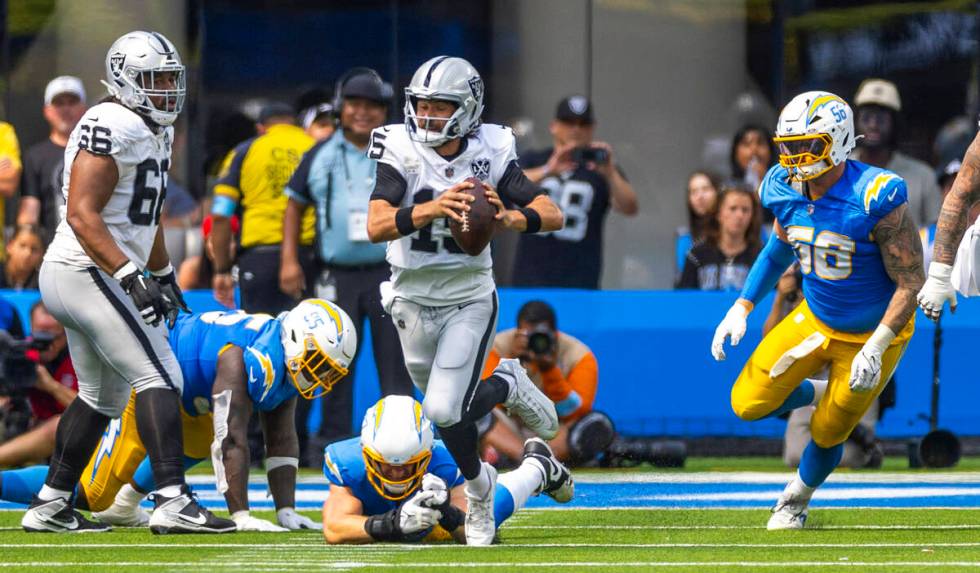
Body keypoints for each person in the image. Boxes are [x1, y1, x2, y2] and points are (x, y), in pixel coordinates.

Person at [25, 30, 234, 534]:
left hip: (93, 272)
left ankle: (51, 503)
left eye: (170, 78)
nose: (165, 89)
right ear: (123, 80)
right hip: (85, 269)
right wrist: (129, 275)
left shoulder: (151, 128)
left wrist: (160, 272)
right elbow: (82, 214)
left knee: (103, 398)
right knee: (162, 375)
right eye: (154, 79)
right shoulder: (108, 121)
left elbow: (146, 217)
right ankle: (172, 500)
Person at [366, 55, 565, 545]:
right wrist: (435, 206)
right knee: (447, 410)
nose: (427, 116)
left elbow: (551, 211)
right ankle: (505, 385)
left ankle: (478, 492)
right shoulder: (399, 146)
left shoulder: (492, 148)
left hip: (468, 296)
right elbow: (374, 225)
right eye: (422, 105)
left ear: (468, 108)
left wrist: (513, 220)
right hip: (410, 295)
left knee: (439, 409)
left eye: (440, 106)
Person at [711, 91, 923, 529]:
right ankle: (819, 391)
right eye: (787, 146)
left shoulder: (876, 194)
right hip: (817, 316)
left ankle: (796, 499)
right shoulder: (782, 185)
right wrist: (742, 305)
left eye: (807, 145)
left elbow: (910, 282)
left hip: (874, 331)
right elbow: (777, 250)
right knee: (746, 403)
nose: (794, 157)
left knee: (829, 432)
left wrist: (878, 345)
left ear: (841, 141)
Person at [0, 299, 354, 532]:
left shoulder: (283, 359)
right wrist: (241, 516)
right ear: (295, 339)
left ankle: (125, 504)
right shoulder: (243, 356)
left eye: (330, 370)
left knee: (199, 436)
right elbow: (229, 437)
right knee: (91, 493)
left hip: (187, 391)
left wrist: (285, 510)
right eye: (319, 363)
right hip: (150, 372)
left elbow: (281, 436)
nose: (322, 376)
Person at [281, 68, 410, 457]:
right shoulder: (320, 152)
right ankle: (332, 443)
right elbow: (294, 204)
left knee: (396, 359)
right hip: (336, 273)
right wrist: (290, 259)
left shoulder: (399, 149)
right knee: (334, 357)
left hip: (390, 269)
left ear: (385, 110)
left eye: (373, 105)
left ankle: (401, 442)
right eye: (355, 103)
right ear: (340, 107)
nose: (363, 112)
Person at [321, 395, 572, 544]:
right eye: (385, 466)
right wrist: (391, 525)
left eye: (408, 466)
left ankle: (536, 469)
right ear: (366, 454)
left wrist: (447, 513)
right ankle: (537, 467)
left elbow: (475, 531)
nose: (396, 474)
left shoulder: (444, 462)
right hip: (387, 517)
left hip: (436, 515)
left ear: (426, 454)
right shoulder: (348, 461)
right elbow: (334, 528)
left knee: (483, 521)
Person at [762, 266, 885, 469]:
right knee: (794, 456)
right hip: (813, 382)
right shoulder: (796, 302)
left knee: (855, 457)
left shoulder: (844, 284)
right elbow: (770, 344)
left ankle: (866, 445)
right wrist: (781, 298)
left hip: (849, 376)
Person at [511, 95, 638, 289]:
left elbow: (629, 207)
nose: (576, 129)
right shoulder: (535, 159)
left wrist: (610, 173)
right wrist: (548, 170)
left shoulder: (600, 168)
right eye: (569, 122)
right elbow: (506, 186)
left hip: (580, 280)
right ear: (554, 125)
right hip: (530, 276)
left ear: (592, 127)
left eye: (583, 124)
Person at [210, 102, 317, 312]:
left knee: (260, 336)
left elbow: (221, 214)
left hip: (259, 259)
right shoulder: (314, 148)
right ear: (296, 126)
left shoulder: (244, 151)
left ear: (260, 128)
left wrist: (222, 269)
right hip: (308, 258)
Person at [480, 300, 612, 465]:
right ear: (518, 332)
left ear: (555, 334)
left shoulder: (579, 356)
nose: (536, 342)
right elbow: (486, 400)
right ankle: (529, 459)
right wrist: (511, 361)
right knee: (474, 410)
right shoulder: (498, 347)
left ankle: (538, 458)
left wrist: (549, 370)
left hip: (552, 431)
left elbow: (576, 412)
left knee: (590, 422)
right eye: (529, 336)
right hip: (509, 428)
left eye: (541, 336)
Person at [851, 78, 940, 228]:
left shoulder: (923, 176)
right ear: (855, 121)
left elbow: (937, 235)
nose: (873, 125)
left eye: (881, 119)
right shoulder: (839, 168)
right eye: (866, 118)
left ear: (895, 123)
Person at [0, 302, 75, 468]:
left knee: (60, 424)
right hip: (18, 423)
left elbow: (93, 411)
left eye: (51, 338)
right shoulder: (16, 351)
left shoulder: (79, 358)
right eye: (39, 336)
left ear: (66, 334)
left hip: (59, 435)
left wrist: (51, 386)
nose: (44, 345)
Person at [18, 76, 87, 242]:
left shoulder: (97, 152)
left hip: (94, 254)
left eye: (72, 102)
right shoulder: (34, 157)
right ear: (47, 111)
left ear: (84, 108)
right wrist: (24, 242)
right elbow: (30, 210)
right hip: (52, 253)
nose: (66, 109)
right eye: (59, 103)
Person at [677, 185, 762, 291]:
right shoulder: (696, 255)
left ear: (752, 216)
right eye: (733, 208)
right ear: (718, 213)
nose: (740, 215)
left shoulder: (762, 256)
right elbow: (683, 300)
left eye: (745, 210)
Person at [177, 214, 239, 291]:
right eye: (214, 241)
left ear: (237, 243)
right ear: (205, 244)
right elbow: (183, 300)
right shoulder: (192, 270)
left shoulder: (246, 270)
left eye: (228, 240)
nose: (220, 246)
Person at [675, 170, 719, 277]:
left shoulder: (736, 232)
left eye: (705, 189)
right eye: (694, 191)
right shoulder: (684, 236)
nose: (700, 196)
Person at [729, 124, 776, 191]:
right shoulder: (728, 189)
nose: (754, 149)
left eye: (760, 143)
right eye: (747, 144)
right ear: (735, 152)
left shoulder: (782, 185)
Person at [0, 225, 43, 290]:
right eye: (22, 246)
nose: (28, 253)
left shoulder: (43, 282)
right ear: (9, 246)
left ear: (42, 254)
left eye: (34, 249)